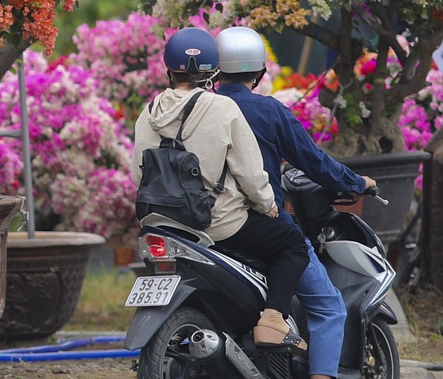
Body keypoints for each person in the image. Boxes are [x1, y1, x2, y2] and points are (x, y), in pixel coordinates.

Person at [214, 25, 378, 379]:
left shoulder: (201, 110)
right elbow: (313, 161)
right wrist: (357, 183)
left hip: (206, 228)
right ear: (260, 70)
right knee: (327, 304)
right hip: (260, 223)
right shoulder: (267, 111)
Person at [133, 28, 310, 348]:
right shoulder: (223, 109)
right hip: (216, 223)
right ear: (214, 72)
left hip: (161, 223)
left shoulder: (148, 114)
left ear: (168, 69)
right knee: (292, 245)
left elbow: (138, 174)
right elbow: (252, 174)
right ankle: (272, 319)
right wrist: (268, 205)